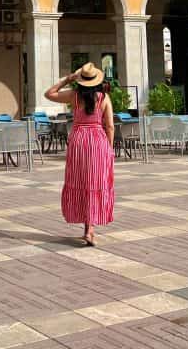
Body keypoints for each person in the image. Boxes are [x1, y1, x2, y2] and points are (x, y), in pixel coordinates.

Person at [44, 62, 115, 246]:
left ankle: (86, 229)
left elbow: (49, 94)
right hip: (98, 141)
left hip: (79, 141)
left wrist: (67, 79)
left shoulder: (74, 95)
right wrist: (109, 148)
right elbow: (109, 126)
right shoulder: (104, 98)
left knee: (81, 182)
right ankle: (91, 230)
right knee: (94, 181)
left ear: (81, 80)